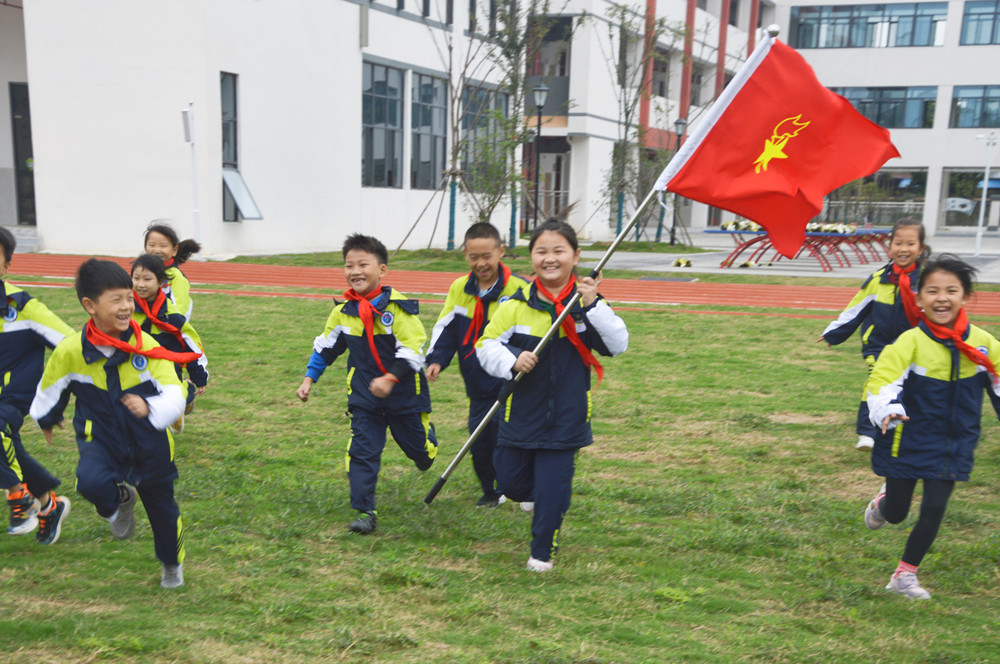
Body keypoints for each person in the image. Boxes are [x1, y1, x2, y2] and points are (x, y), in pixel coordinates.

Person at [30, 259, 195, 588]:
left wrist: (151, 407)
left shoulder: (146, 347)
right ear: (90, 305)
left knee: (162, 508)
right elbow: (52, 384)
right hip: (100, 438)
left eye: (129, 298)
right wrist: (46, 416)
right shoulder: (71, 350)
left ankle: (171, 565)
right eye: (116, 300)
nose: (126, 307)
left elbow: (174, 390)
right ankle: (119, 501)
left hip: (150, 443)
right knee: (89, 482)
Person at [476, 219, 628, 572]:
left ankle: (542, 553)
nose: (550, 259)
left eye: (559, 251)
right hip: (520, 414)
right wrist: (513, 359)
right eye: (541, 251)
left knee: (553, 489)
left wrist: (592, 306)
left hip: (567, 416)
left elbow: (617, 345)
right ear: (531, 258)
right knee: (510, 482)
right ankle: (528, 495)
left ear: (575, 256)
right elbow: (485, 345)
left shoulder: (587, 302)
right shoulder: (515, 305)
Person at [863, 254, 1000, 600]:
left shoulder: (983, 344)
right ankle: (884, 503)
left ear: (965, 297)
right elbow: (882, 380)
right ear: (920, 299)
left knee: (935, 508)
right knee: (897, 513)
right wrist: (887, 410)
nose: (942, 297)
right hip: (907, 439)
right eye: (933, 291)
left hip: (954, 442)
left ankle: (905, 575)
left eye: (952, 290)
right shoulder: (910, 342)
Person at [295, 234, 438, 535]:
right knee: (362, 451)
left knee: (420, 454)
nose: (355, 271)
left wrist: (390, 378)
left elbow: (413, 350)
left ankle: (427, 445)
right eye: (349, 265)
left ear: (382, 270)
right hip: (364, 398)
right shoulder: (343, 312)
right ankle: (364, 511)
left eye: (363, 264)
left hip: (404, 397)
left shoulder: (399, 309)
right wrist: (309, 378)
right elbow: (326, 348)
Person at [426, 223, 529, 508]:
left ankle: (522, 488)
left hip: (512, 377)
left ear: (501, 251)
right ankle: (491, 490)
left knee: (510, 437)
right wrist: (436, 359)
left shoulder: (520, 288)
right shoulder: (460, 288)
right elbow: (446, 327)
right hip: (477, 380)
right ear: (465, 255)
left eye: (487, 255)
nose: (481, 263)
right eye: (474, 257)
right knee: (480, 438)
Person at [819, 217, 927, 451]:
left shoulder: (927, 281)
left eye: (910, 244)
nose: (903, 249)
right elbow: (856, 308)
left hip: (913, 348)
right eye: (898, 243)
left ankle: (901, 425)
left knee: (909, 386)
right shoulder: (879, 279)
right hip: (879, 344)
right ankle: (868, 433)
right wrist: (834, 333)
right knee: (876, 382)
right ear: (890, 247)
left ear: (921, 249)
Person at [0, 227, 75, 544]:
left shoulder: (23, 306)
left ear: (6, 266)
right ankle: (48, 504)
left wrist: (55, 403)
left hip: (13, 396)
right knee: (7, 449)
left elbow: (71, 346)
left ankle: (20, 498)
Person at [131, 254, 208, 433]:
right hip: (137, 365)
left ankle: (185, 391)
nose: (141, 284)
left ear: (161, 282)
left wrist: (198, 376)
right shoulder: (126, 308)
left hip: (168, 366)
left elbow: (190, 344)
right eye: (136, 278)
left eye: (147, 279)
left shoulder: (170, 314)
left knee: (170, 395)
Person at [143, 220, 200, 321]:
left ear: (174, 250)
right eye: (152, 245)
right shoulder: (141, 272)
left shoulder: (177, 278)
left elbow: (180, 312)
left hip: (165, 332)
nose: (157, 250)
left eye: (163, 246)